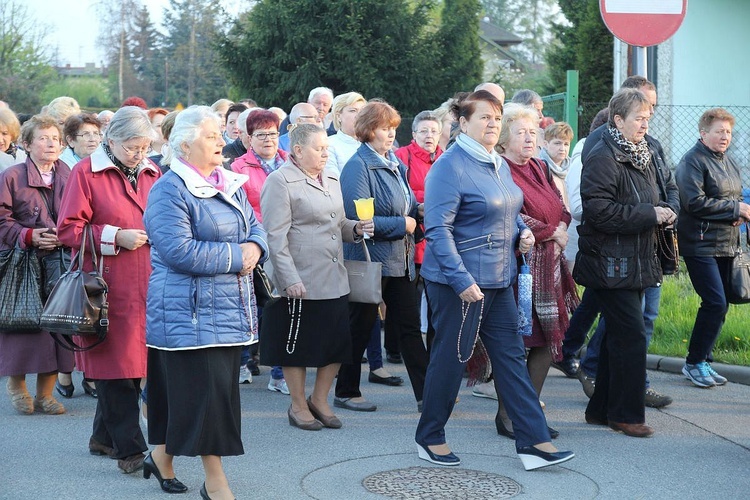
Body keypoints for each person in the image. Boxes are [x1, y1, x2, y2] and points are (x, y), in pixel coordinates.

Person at [416, 90, 574, 471]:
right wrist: (460, 280)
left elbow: (511, 205)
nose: (492, 123)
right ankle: (430, 437)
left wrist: (522, 230)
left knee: (511, 360)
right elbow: (437, 230)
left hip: (500, 278)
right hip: (460, 283)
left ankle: (534, 442)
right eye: (484, 117)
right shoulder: (449, 167)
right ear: (463, 123)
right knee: (451, 361)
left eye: (496, 117)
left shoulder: (497, 164)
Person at [143, 105, 267, 499]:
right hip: (188, 313)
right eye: (212, 135)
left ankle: (161, 455)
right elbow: (178, 250)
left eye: (219, 135)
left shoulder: (227, 180)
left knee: (206, 394)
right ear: (185, 144)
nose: (221, 142)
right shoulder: (169, 189)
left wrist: (254, 248)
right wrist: (238, 256)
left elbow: (256, 227)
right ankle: (216, 481)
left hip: (227, 307)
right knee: (208, 399)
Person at [57, 106, 161, 473]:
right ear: (111, 140)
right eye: (133, 147)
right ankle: (129, 449)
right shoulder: (86, 172)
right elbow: (68, 230)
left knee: (132, 367)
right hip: (105, 287)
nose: (139, 154)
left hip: (147, 282)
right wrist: (116, 236)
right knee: (116, 368)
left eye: (145, 146)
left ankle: (103, 436)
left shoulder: (152, 170)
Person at [566, 77, 677, 410]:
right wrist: (651, 214)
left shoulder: (647, 150)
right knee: (630, 337)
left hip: (642, 257)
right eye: (638, 118)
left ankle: (601, 409)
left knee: (622, 334)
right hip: (611, 261)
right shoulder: (602, 153)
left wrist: (668, 211)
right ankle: (627, 414)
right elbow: (597, 211)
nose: (645, 123)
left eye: (648, 118)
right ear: (618, 120)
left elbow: (669, 188)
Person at [259, 124, 373, 431]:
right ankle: (297, 405)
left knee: (337, 343)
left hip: (334, 274)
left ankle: (319, 399)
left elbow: (337, 224)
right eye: (318, 148)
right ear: (297, 150)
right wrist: (288, 279)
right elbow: (274, 238)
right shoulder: (280, 182)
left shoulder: (332, 178)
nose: (325, 153)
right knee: (296, 346)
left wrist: (355, 229)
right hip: (300, 279)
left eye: (326, 148)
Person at [338, 101, 429, 412]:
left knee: (409, 328)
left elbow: (404, 205)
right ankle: (346, 390)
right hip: (370, 260)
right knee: (360, 328)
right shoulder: (357, 165)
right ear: (367, 130)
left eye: (392, 128)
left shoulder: (393, 162)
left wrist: (416, 211)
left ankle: (427, 394)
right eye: (382, 128)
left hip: (399, 260)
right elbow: (358, 219)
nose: (390, 134)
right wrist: (403, 223)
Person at [498, 103, 578, 437]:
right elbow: (512, 215)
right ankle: (508, 417)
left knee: (547, 340)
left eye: (534, 132)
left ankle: (528, 412)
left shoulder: (539, 167)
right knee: (516, 346)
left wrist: (558, 227)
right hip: (519, 269)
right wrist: (551, 232)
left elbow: (561, 207)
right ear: (504, 138)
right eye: (522, 132)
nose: (530, 138)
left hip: (549, 270)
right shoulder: (500, 168)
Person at [0, 114, 74, 415]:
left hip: (60, 260)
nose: (51, 144)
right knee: (23, 326)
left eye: (55, 138)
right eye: (43, 138)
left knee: (59, 327)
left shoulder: (67, 173)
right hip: (24, 262)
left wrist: (64, 235)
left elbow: (80, 213)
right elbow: (2, 219)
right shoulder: (12, 176)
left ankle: (45, 393)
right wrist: (29, 235)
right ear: (27, 144)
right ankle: (17, 385)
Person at [675, 108, 746, 388]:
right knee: (715, 302)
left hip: (727, 243)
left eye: (728, 132)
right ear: (703, 133)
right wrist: (733, 208)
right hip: (700, 243)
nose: (725, 137)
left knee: (722, 303)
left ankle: (703, 360)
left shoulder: (729, 161)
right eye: (719, 131)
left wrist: (738, 212)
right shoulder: (691, 161)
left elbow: (734, 197)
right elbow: (693, 202)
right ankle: (693, 363)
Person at [229, 110, 288, 391]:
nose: (268, 140)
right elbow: (241, 209)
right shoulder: (238, 168)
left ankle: (279, 373)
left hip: (287, 243)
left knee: (282, 308)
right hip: (256, 243)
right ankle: (242, 361)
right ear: (248, 138)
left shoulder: (290, 162)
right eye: (261, 135)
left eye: (273, 134)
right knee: (250, 305)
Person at [395, 111, 444, 342]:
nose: (429, 136)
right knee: (408, 301)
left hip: (438, 239)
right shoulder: (401, 156)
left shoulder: (446, 158)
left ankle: (433, 349)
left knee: (436, 302)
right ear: (414, 134)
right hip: (411, 237)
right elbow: (398, 193)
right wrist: (427, 199)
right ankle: (396, 348)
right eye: (424, 131)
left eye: (434, 131)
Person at [325, 92, 366, 175]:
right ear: (338, 116)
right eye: (353, 111)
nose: (359, 115)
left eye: (362, 111)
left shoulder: (373, 143)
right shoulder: (328, 145)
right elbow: (334, 181)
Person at [539, 121, 574, 209]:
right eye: (557, 143)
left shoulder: (573, 167)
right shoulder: (539, 168)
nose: (562, 148)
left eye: (566, 144)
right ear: (546, 144)